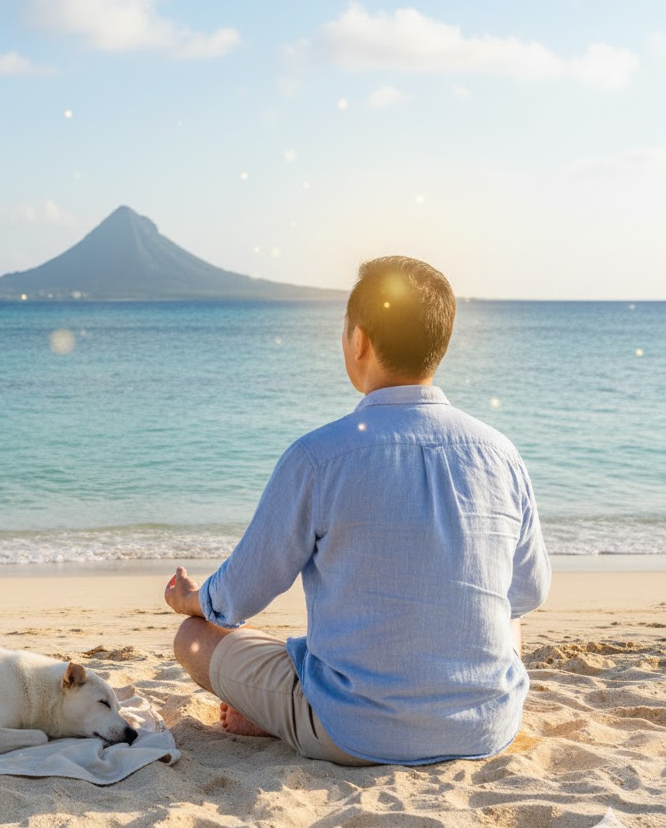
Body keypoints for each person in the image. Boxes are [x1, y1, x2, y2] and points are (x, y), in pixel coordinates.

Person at [164, 256, 551, 766]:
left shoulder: (319, 457)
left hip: (353, 730)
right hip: (487, 727)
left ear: (360, 341)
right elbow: (528, 591)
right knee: (508, 619)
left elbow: (238, 597)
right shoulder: (500, 453)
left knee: (195, 637)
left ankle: (275, 714)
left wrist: (193, 599)